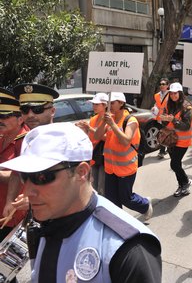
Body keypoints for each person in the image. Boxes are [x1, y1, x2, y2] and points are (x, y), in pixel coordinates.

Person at [0, 122, 162, 282]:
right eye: (24, 177)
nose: (27, 191)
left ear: (81, 173)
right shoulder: (50, 217)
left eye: (41, 177)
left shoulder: (128, 249)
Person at [4, 83, 59, 225]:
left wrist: (37, 199)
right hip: (34, 217)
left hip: (61, 216)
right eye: (25, 110)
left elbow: (80, 184)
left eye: (37, 109)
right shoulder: (21, 141)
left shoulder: (67, 141)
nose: (30, 115)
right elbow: (16, 173)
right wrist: (10, 201)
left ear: (52, 111)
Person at [94, 92, 153, 219]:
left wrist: (112, 125)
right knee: (112, 200)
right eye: (108, 103)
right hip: (110, 167)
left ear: (121, 103)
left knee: (126, 198)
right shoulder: (110, 118)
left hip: (126, 168)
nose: (109, 105)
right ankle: (119, 224)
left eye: (113, 103)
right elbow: (97, 136)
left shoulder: (130, 120)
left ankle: (145, 205)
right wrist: (104, 123)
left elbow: (126, 140)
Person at [0, 92, 29, 241]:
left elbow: (18, 175)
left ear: (20, 119)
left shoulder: (26, 141)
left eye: (5, 116)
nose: (0, 120)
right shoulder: (2, 137)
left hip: (13, 216)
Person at [160, 83, 192, 197]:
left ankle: (186, 182)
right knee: (176, 164)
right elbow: (165, 122)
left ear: (180, 93)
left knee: (174, 164)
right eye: (171, 93)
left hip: (182, 141)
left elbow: (186, 126)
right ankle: (181, 185)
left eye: (175, 93)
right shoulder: (169, 105)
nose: (173, 95)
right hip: (170, 140)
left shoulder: (187, 107)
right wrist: (163, 119)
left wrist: (173, 120)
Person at [76, 93, 108, 195]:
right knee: (93, 185)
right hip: (93, 155)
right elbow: (91, 135)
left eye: (97, 104)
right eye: (93, 104)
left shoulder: (109, 119)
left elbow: (106, 138)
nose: (94, 106)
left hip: (104, 156)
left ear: (104, 105)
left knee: (102, 187)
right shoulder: (94, 118)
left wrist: (90, 128)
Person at [153, 78, 169, 159]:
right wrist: (154, 108)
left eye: (163, 84)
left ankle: (162, 151)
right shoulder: (156, 95)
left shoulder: (171, 94)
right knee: (163, 134)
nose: (161, 86)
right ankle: (165, 150)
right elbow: (157, 104)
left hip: (168, 118)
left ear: (167, 85)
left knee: (164, 134)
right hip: (160, 118)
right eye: (160, 84)